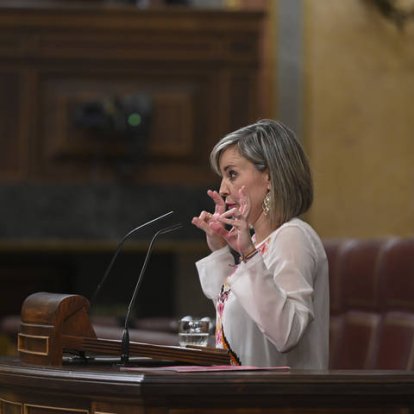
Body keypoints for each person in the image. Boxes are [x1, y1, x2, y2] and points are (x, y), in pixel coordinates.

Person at [191, 119, 329, 368]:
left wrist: (248, 254)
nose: (222, 189)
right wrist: (220, 249)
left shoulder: (293, 236)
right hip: (244, 398)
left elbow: (287, 334)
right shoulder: (256, 243)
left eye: (232, 174)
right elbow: (234, 329)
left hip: (283, 403)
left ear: (269, 176)